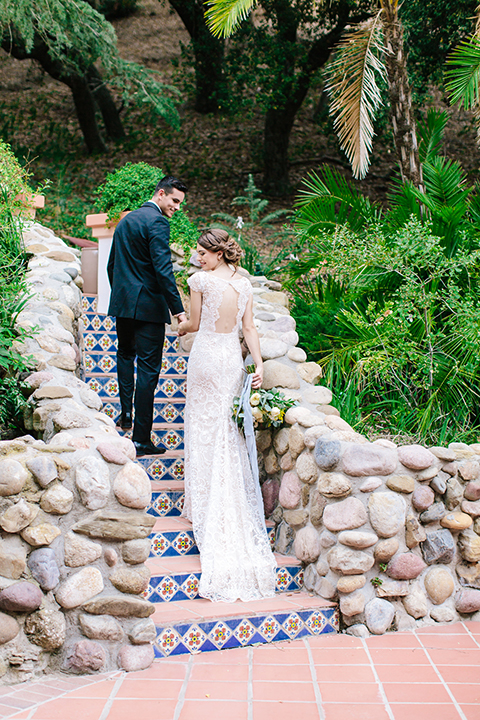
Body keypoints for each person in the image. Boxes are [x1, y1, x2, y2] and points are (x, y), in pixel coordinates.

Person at [177, 229, 276, 602]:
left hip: (205, 357)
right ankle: (220, 493)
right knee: (224, 429)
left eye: (203, 252)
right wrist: (259, 364)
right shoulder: (245, 284)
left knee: (202, 424)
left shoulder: (199, 281)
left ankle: (200, 501)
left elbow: (196, 322)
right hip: (232, 362)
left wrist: (177, 323)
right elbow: (248, 328)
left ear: (219, 253)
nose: (198, 258)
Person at [107, 176, 188, 457]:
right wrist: (178, 310)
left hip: (124, 304)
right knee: (149, 371)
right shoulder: (157, 222)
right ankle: (141, 439)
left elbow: (112, 265)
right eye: (175, 201)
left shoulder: (126, 220)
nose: (177, 207)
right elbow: (163, 269)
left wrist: (121, 294)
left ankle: (125, 416)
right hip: (148, 309)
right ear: (161, 194)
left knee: (125, 355)